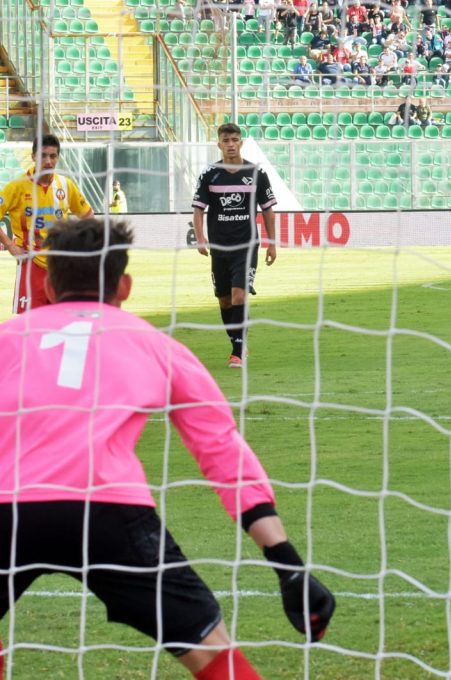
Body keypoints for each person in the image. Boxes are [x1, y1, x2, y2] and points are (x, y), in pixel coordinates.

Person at [0, 218, 335, 679]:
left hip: (7, 507)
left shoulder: (7, 337)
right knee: (215, 656)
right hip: (108, 509)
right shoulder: (157, 345)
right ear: (125, 286)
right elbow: (220, 450)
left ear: (51, 287)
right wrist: (286, 563)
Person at [192, 123, 277, 369]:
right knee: (224, 301)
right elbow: (198, 209)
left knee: (240, 295)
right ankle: (239, 341)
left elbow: (268, 209)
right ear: (218, 144)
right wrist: (200, 238)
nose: (231, 144)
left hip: (247, 245)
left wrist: (271, 243)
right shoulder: (209, 173)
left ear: (241, 142)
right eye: (226, 140)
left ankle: (237, 352)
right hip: (220, 248)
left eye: (235, 139)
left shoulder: (256, 172)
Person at [0, 134, 94, 314]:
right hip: (31, 264)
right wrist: (10, 245)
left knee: (62, 323)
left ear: (58, 157)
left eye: (53, 156)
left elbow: (89, 217)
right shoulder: (16, 187)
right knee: (29, 325)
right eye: (43, 156)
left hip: (61, 266)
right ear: (33, 156)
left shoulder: (66, 186)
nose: (48, 161)